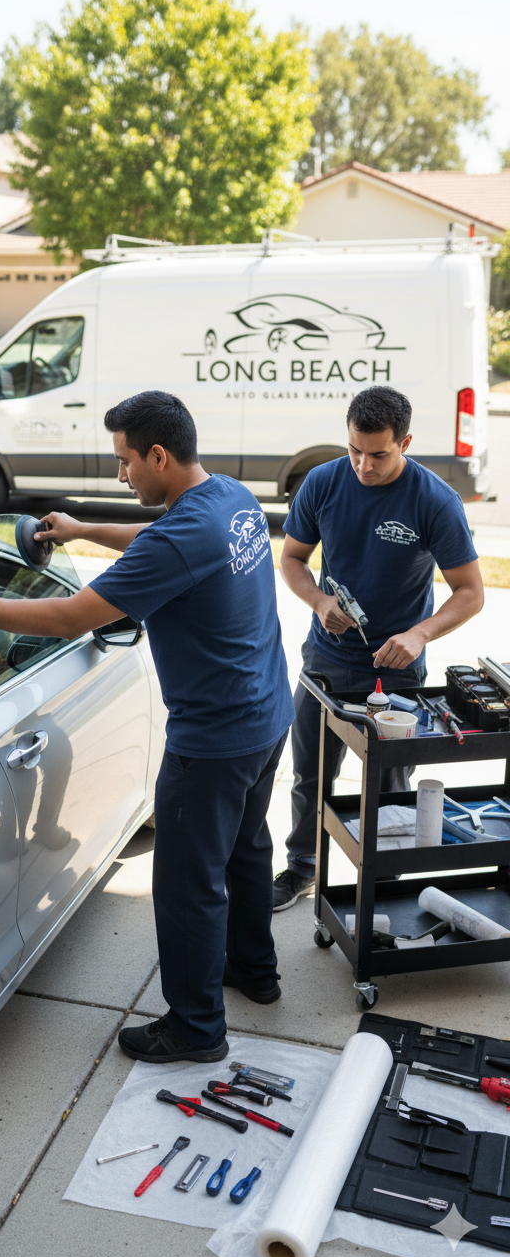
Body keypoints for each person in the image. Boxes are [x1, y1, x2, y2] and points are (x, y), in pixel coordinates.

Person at [0, 390, 294, 1064]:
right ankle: (254, 971)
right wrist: (83, 528)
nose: (121, 475)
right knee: (245, 851)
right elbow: (162, 540)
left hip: (213, 738)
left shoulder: (183, 536)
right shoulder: (228, 497)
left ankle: (196, 1028)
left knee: (186, 885)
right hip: (268, 714)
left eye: (125, 462)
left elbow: (72, 617)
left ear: (157, 454)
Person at [273, 385, 484, 912]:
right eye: (355, 450)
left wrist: (420, 635)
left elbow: (471, 593)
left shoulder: (434, 500)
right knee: (309, 774)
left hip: (397, 675)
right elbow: (292, 560)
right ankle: (302, 867)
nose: (364, 465)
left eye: (379, 454)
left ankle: (387, 880)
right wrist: (320, 602)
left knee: (389, 785)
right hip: (325, 662)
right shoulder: (322, 483)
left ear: (406, 441)